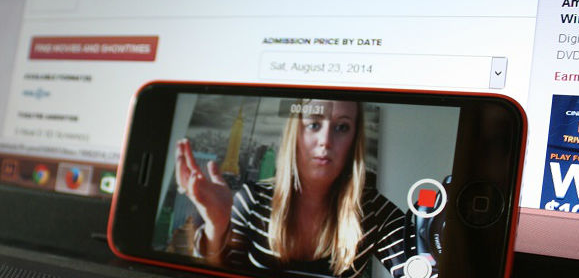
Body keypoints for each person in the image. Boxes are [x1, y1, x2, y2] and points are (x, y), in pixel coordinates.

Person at [175, 99, 415, 277]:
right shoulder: (252, 199)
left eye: (342, 127)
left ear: (354, 141)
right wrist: (217, 227)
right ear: (295, 134)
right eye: (313, 125)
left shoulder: (371, 209)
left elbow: (422, 265)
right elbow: (219, 269)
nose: (326, 140)